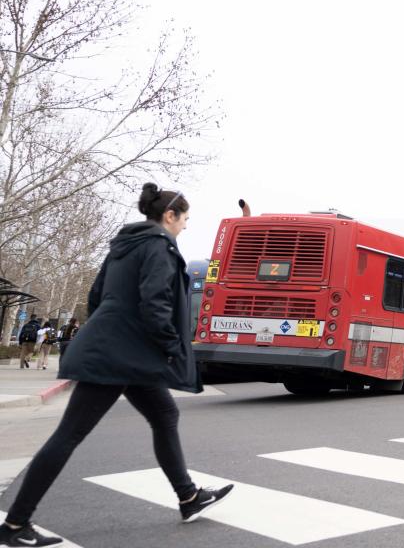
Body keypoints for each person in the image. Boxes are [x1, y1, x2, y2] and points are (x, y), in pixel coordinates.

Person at [0, 184, 233, 547]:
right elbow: (154, 304)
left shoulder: (124, 245)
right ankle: (15, 525)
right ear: (169, 216)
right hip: (118, 356)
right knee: (70, 433)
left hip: (122, 353)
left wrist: (114, 335)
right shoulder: (158, 246)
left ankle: (189, 497)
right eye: (185, 219)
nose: (185, 226)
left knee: (164, 415)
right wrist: (171, 347)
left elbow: (96, 296)